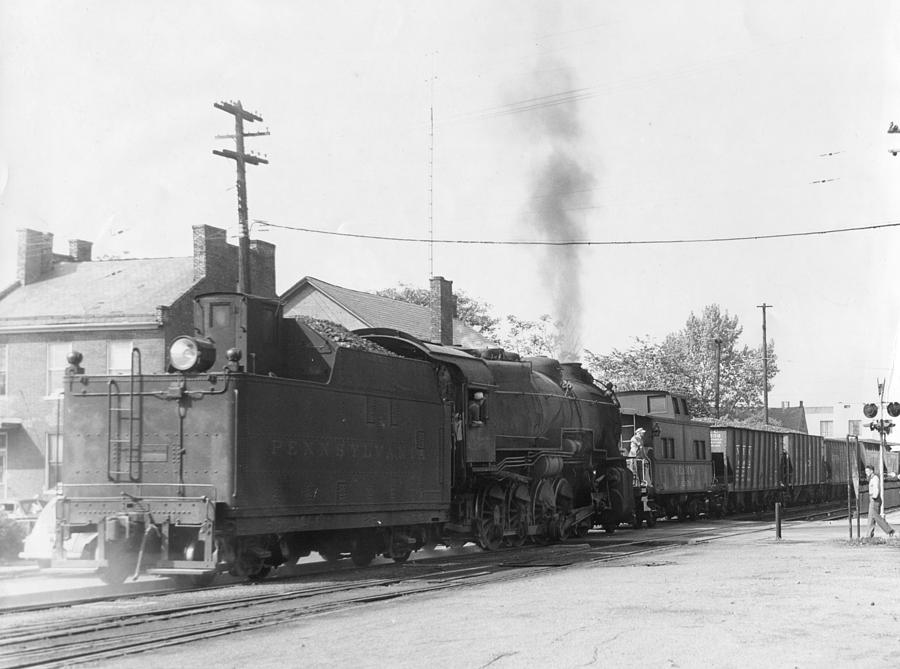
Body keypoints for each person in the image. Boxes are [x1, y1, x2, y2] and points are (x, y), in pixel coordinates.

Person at [865, 465, 896, 538]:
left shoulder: (875, 478)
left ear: (871, 471)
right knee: (871, 518)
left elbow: (876, 489)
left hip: (874, 500)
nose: (866, 472)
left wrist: (874, 497)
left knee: (876, 517)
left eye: (867, 471)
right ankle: (869, 536)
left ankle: (889, 530)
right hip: (873, 499)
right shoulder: (871, 478)